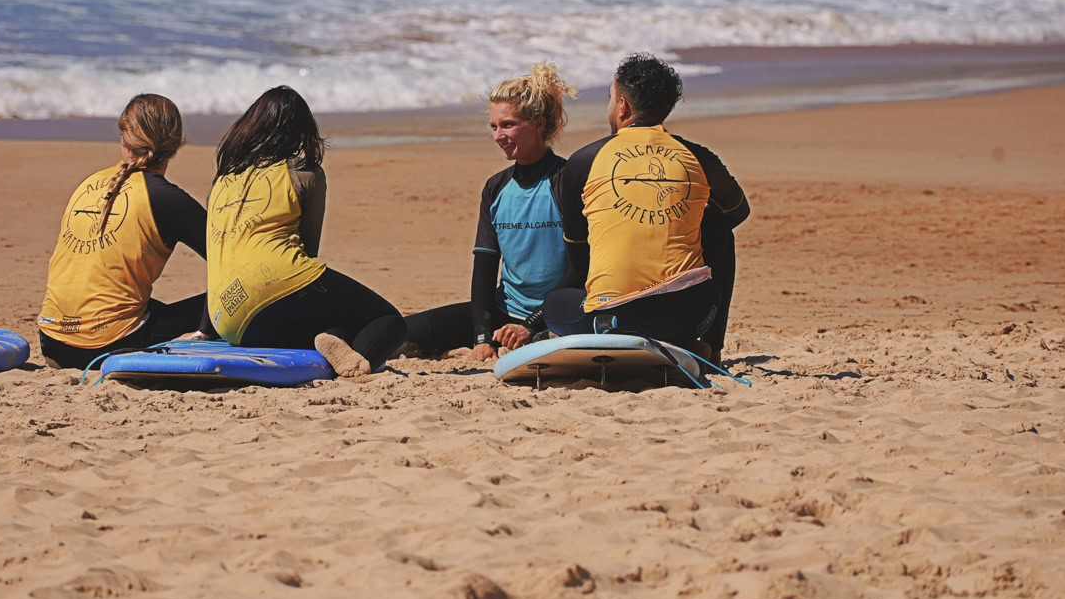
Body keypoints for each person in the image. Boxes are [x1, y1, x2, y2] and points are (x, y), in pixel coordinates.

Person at [543, 53, 749, 366]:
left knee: (555, 304)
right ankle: (709, 347)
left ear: (623, 106)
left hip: (610, 320)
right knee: (716, 225)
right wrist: (678, 218)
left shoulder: (583, 162)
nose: (610, 107)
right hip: (687, 317)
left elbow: (578, 257)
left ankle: (613, 330)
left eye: (610, 98)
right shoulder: (697, 156)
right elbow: (737, 211)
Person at [206, 85, 406, 377]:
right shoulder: (304, 172)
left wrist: (204, 329)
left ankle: (333, 341)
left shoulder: (223, 180)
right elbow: (308, 250)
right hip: (278, 277)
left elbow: (216, 254)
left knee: (314, 324)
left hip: (226, 317)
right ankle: (353, 363)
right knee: (387, 319)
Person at [401, 63, 578, 363]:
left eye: (508, 124)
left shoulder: (566, 180)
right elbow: (484, 267)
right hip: (503, 312)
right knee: (402, 333)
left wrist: (529, 325)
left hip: (557, 313)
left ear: (538, 123)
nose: (498, 136)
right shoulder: (496, 188)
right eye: (494, 127)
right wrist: (482, 337)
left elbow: (580, 269)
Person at [38, 94, 211, 370]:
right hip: (108, 346)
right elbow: (230, 262)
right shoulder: (167, 198)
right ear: (176, 144)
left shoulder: (88, 183)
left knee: (122, 303)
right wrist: (205, 328)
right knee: (233, 301)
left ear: (123, 139)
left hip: (52, 340)